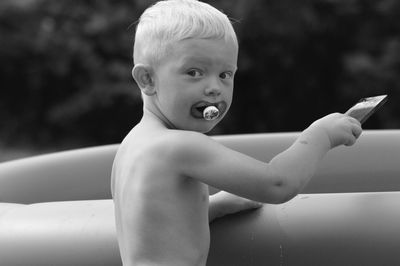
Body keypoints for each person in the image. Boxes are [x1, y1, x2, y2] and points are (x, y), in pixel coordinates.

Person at [110, 0, 362, 265]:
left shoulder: (131, 147)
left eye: (225, 74)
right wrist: (321, 135)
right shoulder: (180, 145)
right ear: (147, 80)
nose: (214, 88)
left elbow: (154, 223)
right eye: (194, 72)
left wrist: (213, 208)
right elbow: (277, 184)